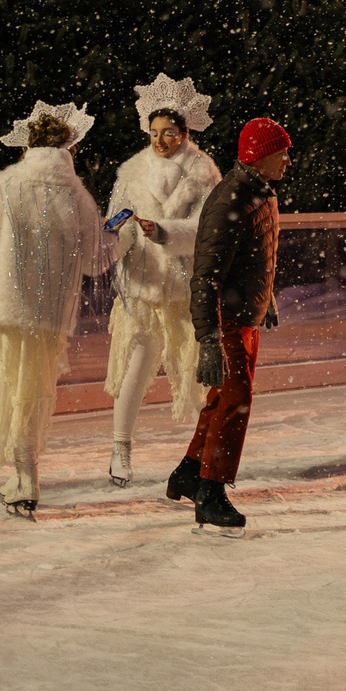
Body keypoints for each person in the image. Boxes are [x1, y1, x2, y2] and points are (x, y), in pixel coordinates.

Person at [0, 102, 108, 516]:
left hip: (6, 312)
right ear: (71, 149)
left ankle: (25, 477)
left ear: (26, 146)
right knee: (31, 393)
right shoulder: (78, 197)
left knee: (10, 391)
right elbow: (95, 261)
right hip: (50, 317)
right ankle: (26, 473)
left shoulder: (4, 186)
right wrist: (118, 233)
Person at [100, 74, 223, 486]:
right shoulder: (133, 172)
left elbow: (209, 228)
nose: (159, 140)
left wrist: (167, 232)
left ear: (185, 133)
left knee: (196, 372)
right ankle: (121, 448)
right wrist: (120, 231)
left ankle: (204, 453)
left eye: (168, 132)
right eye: (153, 132)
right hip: (144, 286)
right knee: (136, 367)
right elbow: (119, 218)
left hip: (186, 287)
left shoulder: (204, 174)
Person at [169, 117, 291, 530]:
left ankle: (189, 472)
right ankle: (211, 491)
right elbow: (205, 276)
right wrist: (208, 338)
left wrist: (266, 296)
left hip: (245, 314)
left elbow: (255, 257)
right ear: (260, 157)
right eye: (281, 154)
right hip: (227, 321)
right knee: (235, 402)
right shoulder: (230, 202)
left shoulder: (259, 192)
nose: (287, 161)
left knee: (223, 399)